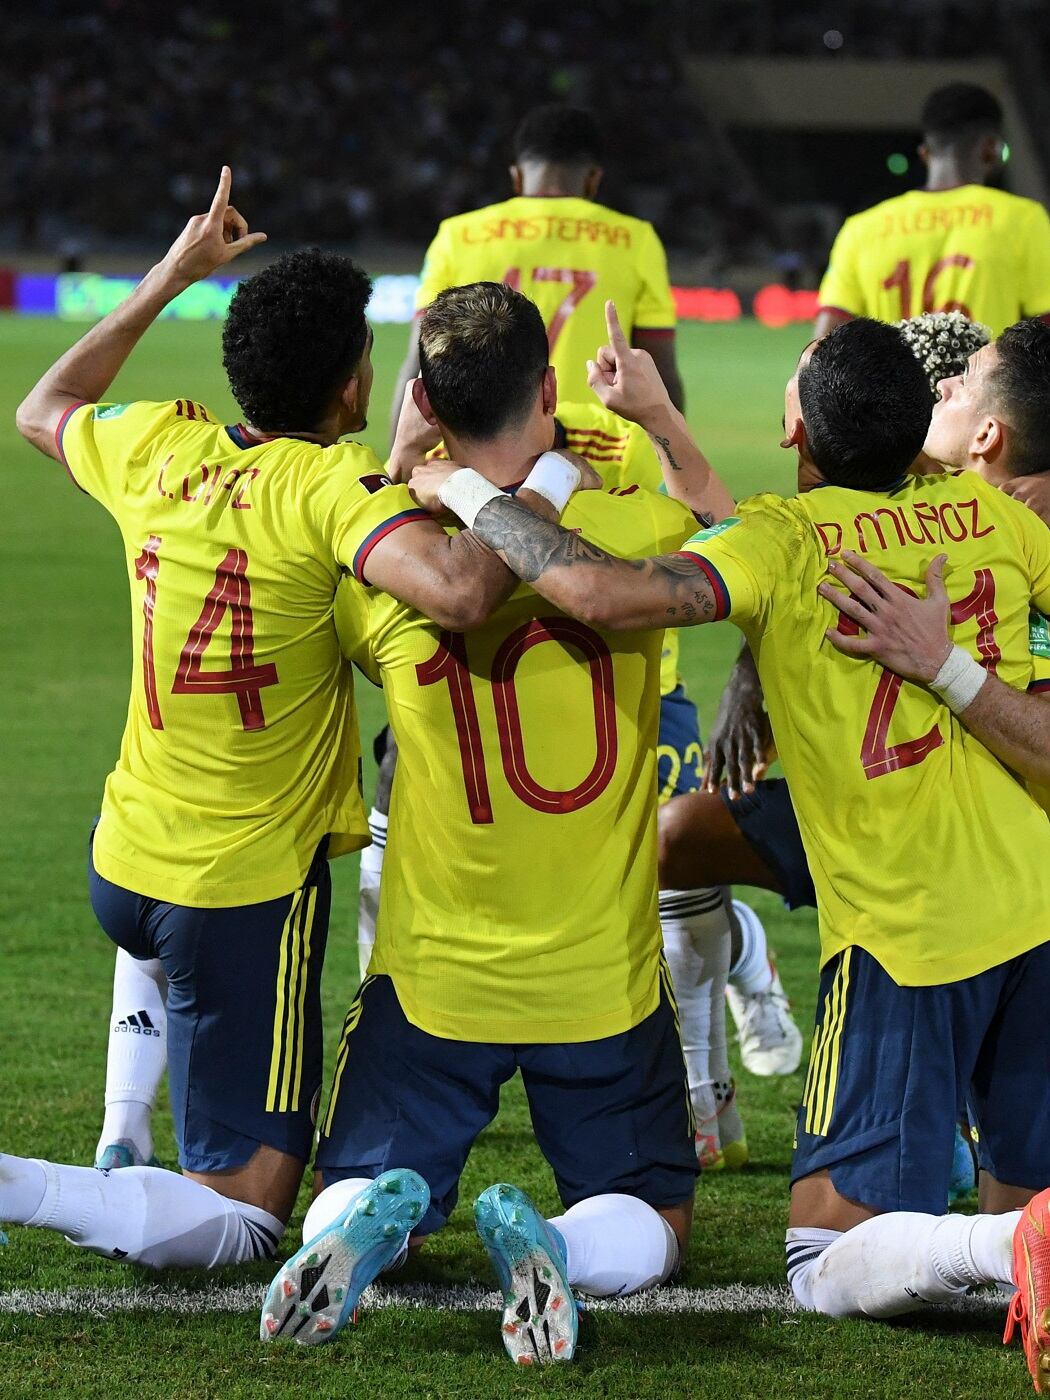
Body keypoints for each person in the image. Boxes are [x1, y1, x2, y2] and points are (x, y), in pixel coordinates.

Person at [410, 320, 1050, 1389]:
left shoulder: (783, 541)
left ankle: (998, 1238)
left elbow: (601, 594)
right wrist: (950, 661)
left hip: (909, 939)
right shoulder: (986, 517)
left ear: (795, 425)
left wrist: (460, 491)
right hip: (1046, 920)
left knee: (821, 1253)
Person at [0, 172, 555, 1314]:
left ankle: (119, 1132)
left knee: (183, 1020)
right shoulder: (327, 487)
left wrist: (171, 273)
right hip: (236, 891)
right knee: (248, 1209)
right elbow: (453, 590)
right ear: (353, 384)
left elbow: (42, 405)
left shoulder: (156, 443)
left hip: (126, 855)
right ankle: (10, 1180)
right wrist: (535, 476)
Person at [260, 283, 703, 1364]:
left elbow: (400, 538)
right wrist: (651, 424)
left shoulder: (386, 570)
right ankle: (551, 1241)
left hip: (435, 971)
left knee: (357, 1179)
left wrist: (399, 465)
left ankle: (356, 1230)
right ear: (549, 390)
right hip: (595, 972)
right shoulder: (634, 525)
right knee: (656, 1218)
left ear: (421, 400)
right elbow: (732, 531)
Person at [391, 103, 681, 433]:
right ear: (593, 180)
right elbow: (660, 375)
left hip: (473, 454)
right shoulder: (636, 240)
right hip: (599, 455)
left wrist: (399, 470)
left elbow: (418, 366)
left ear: (516, 177)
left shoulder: (458, 235)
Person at [814, 83, 1050, 340]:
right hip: (984, 381)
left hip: (894, 381)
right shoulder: (1023, 219)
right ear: (990, 149)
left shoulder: (861, 228)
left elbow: (821, 349)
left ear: (925, 153)